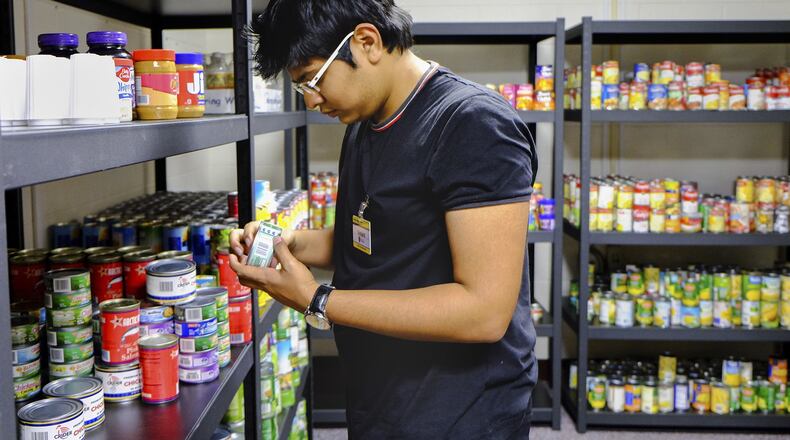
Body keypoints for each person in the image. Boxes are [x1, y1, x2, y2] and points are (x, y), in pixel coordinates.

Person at [230, 1, 538, 438]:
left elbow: (483, 312)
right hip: (382, 392)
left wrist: (318, 300)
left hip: (458, 409)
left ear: (366, 42)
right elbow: (374, 237)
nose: (313, 101)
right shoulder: (366, 120)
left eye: (312, 80)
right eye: (301, 89)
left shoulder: (471, 124)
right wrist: (292, 243)